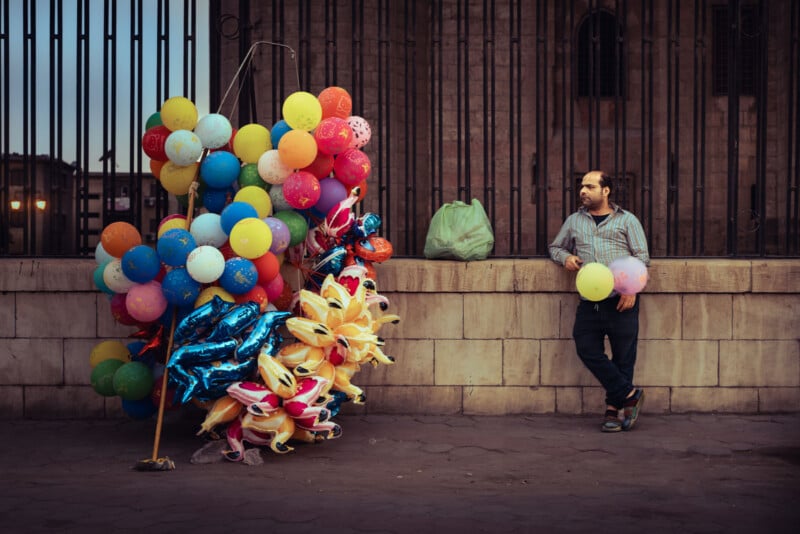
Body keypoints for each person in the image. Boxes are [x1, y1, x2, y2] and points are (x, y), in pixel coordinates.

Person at [548, 170, 650, 432]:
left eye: (590, 186)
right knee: (586, 347)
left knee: (623, 357)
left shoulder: (627, 221)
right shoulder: (574, 221)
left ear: (606, 191)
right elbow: (556, 247)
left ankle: (613, 411)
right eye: (582, 186)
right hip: (590, 300)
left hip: (621, 298)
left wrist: (631, 289)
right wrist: (566, 258)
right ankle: (629, 393)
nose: (583, 191)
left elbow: (641, 257)